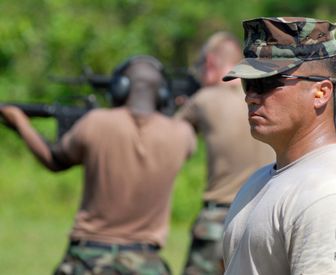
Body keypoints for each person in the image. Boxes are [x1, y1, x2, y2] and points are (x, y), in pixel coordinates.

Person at [0, 55, 196, 274]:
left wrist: (19, 121)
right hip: (145, 263)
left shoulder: (95, 122)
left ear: (121, 88)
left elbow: (53, 160)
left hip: (87, 259)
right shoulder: (182, 135)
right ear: (161, 93)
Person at [221, 17, 336, 275]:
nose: (250, 96)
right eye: (248, 83)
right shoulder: (264, 178)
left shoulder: (333, 195)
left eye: (268, 82)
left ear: (321, 93)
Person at [175, 31, 275, 274]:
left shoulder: (204, 99)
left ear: (209, 63)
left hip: (219, 219)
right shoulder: (264, 99)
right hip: (264, 215)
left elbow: (168, 143)